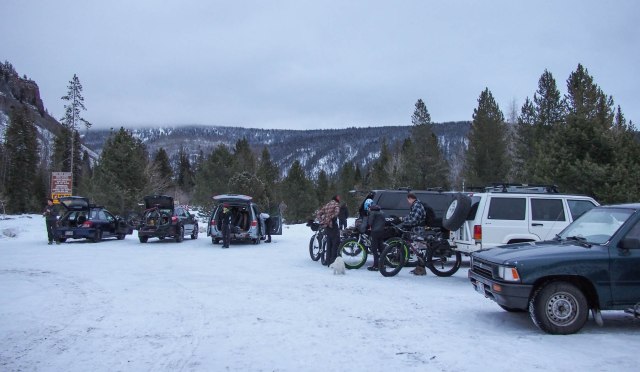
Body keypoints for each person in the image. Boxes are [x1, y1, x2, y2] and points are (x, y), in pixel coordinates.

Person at [402, 193, 428, 275]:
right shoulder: (415, 205)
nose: (408, 202)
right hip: (416, 230)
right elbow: (411, 216)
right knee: (417, 249)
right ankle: (419, 267)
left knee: (419, 249)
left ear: (410, 198)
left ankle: (421, 269)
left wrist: (405, 222)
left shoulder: (417, 205)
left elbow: (414, 219)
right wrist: (402, 219)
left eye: (408, 200)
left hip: (418, 230)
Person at [359, 203, 386, 271]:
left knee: (374, 249)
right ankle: (383, 264)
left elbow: (370, 223)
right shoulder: (382, 212)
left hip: (375, 232)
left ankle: (376, 265)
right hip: (381, 232)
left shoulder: (372, 213)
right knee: (381, 248)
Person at [317, 195, 341, 266]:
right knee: (335, 243)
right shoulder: (336, 205)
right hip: (333, 225)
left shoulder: (327, 205)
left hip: (327, 226)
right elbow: (337, 213)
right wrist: (331, 218)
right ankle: (333, 261)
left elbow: (318, 213)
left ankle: (328, 261)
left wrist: (322, 221)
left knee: (329, 243)